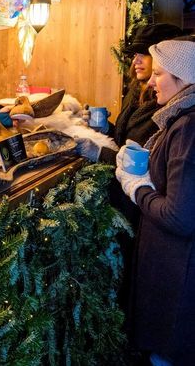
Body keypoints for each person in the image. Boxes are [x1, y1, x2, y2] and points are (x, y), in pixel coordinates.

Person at [115, 36, 195, 366]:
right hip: (171, 268)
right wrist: (149, 162)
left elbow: (180, 216)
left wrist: (137, 187)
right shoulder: (178, 117)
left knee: (165, 355)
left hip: (177, 274)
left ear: (184, 79)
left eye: (159, 74)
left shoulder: (188, 128)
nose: (150, 81)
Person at [77, 23, 183, 164]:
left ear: (166, 60)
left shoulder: (168, 105)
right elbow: (126, 142)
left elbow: (146, 165)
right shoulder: (136, 92)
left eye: (144, 54)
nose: (135, 61)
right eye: (135, 54)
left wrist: (100, 153)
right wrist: (106, 128)